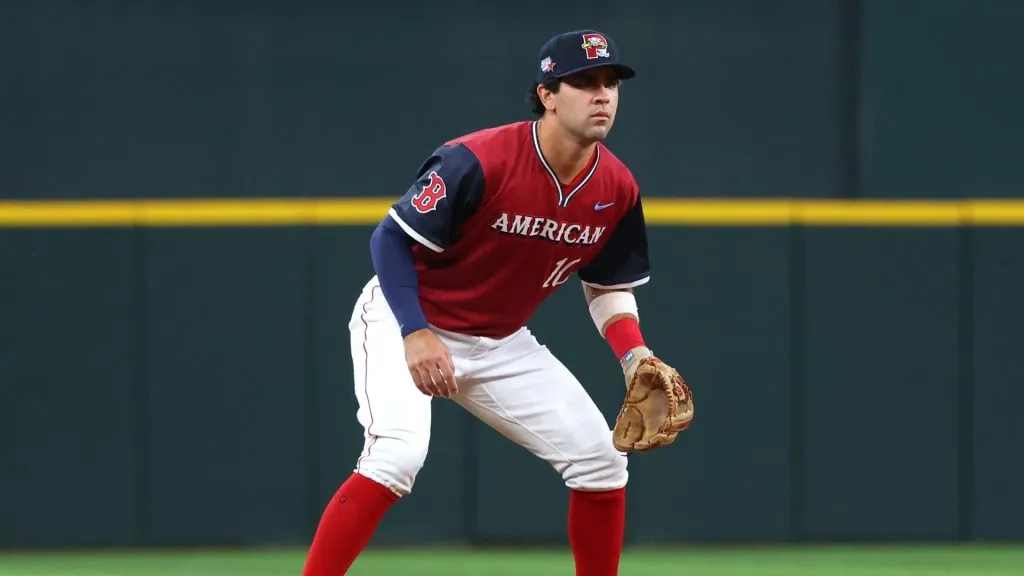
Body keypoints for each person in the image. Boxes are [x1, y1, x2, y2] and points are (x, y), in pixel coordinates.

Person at [303, 29, 686, 576]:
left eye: (610, 83)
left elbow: (605, 285)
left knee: (602, 463)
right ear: (547, 94)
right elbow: (389, 239)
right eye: (584, 82)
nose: (602, 94)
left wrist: (634, 355)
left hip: (499, 341)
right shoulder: (478, 160)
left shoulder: (617, 188)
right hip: (405, 317)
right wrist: (414, 331)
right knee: (396, 457)